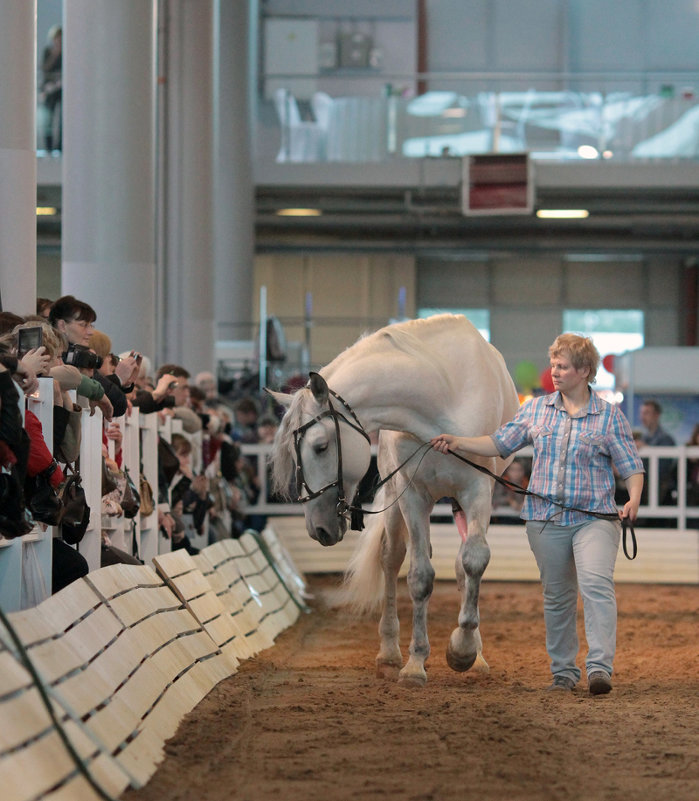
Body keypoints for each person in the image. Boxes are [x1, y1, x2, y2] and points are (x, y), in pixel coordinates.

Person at [431, 333, 644, 696]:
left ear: (584, 371)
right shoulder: (535, 410)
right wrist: (458, 441)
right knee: (558, 596)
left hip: (595, 517)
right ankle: (563, 672)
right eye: (554, 365)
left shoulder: (609, 417)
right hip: (544, 519)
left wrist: (634, 498)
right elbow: (499, 443)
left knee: (595, 585)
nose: (554, 372)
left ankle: (599, 668)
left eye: (562, 366)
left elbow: (631, 465)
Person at [639, 399, 676, 506]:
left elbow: (662, 469)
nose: (642, 417)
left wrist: (646, 449)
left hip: (661, 493)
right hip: (646, 491)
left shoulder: (666, 439)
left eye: (646, 413)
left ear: (656, 415)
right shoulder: (644, 438)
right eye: (642, 413)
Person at [39, 25, 62, 152]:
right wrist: (54, 54)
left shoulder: (66, 53)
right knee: (48, 117)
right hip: (49, 89)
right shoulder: (48, 51)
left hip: (61, 88)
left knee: (62, 117)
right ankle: (48, 147)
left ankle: (60, 146)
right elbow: (45, 68)